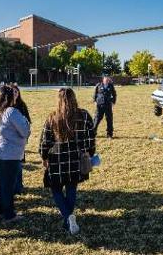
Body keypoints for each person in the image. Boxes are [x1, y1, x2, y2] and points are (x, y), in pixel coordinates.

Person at [39, 88, 96, 235]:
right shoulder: (84, 115)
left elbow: (45, 141)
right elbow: (90, 139)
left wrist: (44, 157)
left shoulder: (52, 117)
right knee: (71, 188)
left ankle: (68, 216)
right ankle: (68, 218)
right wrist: (89, 154)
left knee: (56, 189)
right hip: (76, 158)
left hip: (57, 158)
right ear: (74, 98)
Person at [0, 86, 30, 222]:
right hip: (9, 154)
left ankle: (1, 211)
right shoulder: (12, 112)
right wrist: (26, 123)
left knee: (0, 183)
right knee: (7, 186)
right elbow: (25, 131)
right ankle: (9, 215)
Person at [10, 83, 31, 195]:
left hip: (20, 139)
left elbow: (28, 121)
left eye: (16, 92)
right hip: (9, 140)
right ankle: (12, 185)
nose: (15, 94)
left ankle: (19, 186)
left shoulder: (22, 105)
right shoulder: (5, 106)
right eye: (12, 92)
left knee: (18, 163)